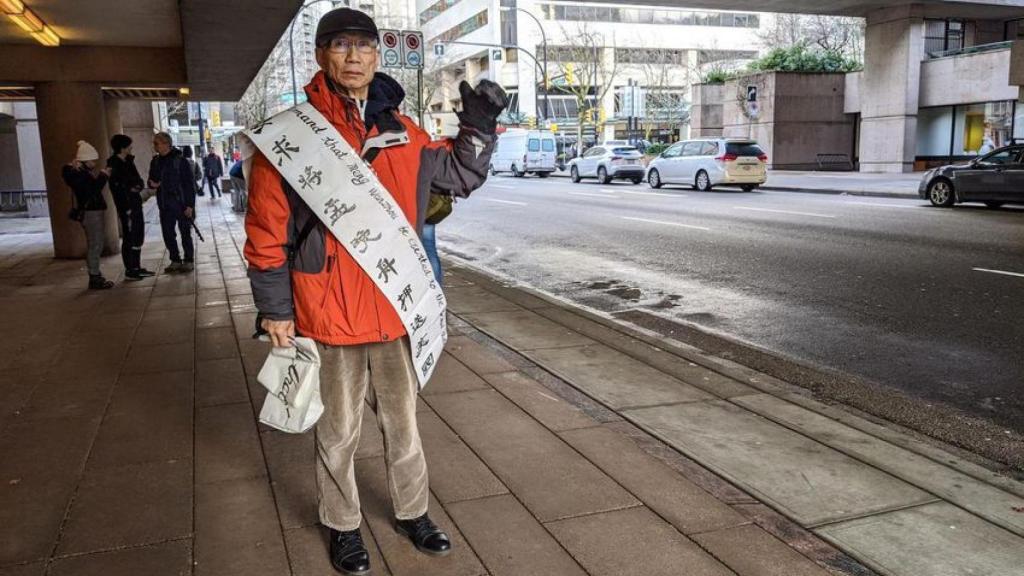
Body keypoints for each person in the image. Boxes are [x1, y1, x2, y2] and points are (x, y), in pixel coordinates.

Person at [244, 8, 506, 575]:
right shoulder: (290, 137)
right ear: (322, 56)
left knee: (404, 427)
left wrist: (479, 129)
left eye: (365, 46)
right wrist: (274, 310)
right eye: (341, 46)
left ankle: (413, 512)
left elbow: (459, 176)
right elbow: (266, 232)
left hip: (395, 310)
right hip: (327, 312)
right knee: (337, 433)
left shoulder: (403, 133)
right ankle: (341, 524)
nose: (355, 56)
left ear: (376, 56)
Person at [61, 140, 114, 290]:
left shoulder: (79, 173)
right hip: (91, 213)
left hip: (93, 212)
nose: (94, 163)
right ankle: (94, 276)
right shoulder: (78, 175)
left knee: (96, 244)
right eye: (92, 160)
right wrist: (103, 176)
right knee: (95, 245)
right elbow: (92, 191)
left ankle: (95, 274)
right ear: (84, 160)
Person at [148, 132, 197, 273]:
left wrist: (189, 205)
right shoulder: (155, 161)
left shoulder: (180, 161)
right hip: (164, 203)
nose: (155, 146)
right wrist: (152, 184)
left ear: (166, 143)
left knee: (185, 232)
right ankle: (175, 259)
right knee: (168, 233)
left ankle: (188, 260)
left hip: (180, 202)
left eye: (157, 143)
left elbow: (189, 184)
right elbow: (151, 179)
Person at [107, 134, 154, 281]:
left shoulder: (128, 161)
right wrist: (128, 195)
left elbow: (138, 180)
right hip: (126, 205)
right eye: (129, 146)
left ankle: (137, 266)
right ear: (122, 147)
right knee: (130, 236)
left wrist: (137, 186)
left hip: (135, 202)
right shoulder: (113, 164)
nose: (131, 148)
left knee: (138, 233)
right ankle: (130, 268)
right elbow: (118, 188)